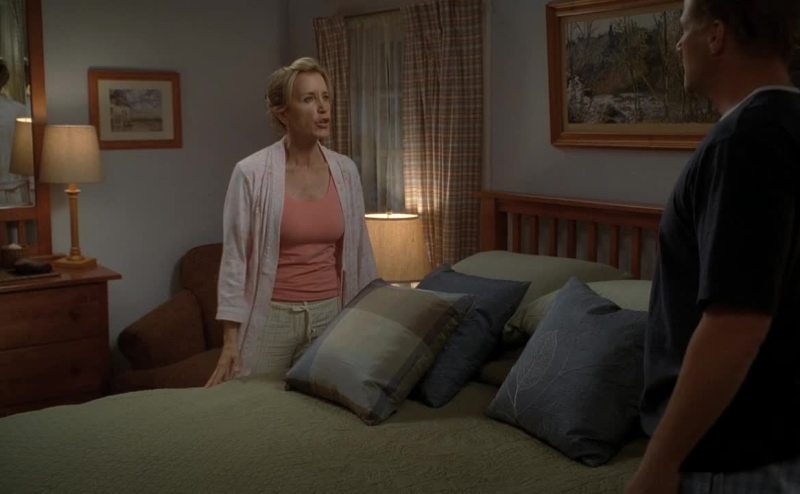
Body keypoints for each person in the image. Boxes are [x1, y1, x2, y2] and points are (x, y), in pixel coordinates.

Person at [626, 1, 800, 493]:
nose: (679, 44)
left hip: (735, 454)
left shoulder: (743, 141)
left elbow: (734, 326)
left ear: (717, 35)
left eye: (685, 29)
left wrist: (659, 463)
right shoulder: (786, 125)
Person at [205, 57, 377, 386]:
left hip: (331, 316)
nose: (323, 108)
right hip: (272, 317)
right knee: (250, 405)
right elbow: (235, 260)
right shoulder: (251, 173)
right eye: (309, 99)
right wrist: (230, 341)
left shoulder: (345, 171)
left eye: (326, 97)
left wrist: (364, 324)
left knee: (318, 411)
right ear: (283, 113)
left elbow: (360, 253)